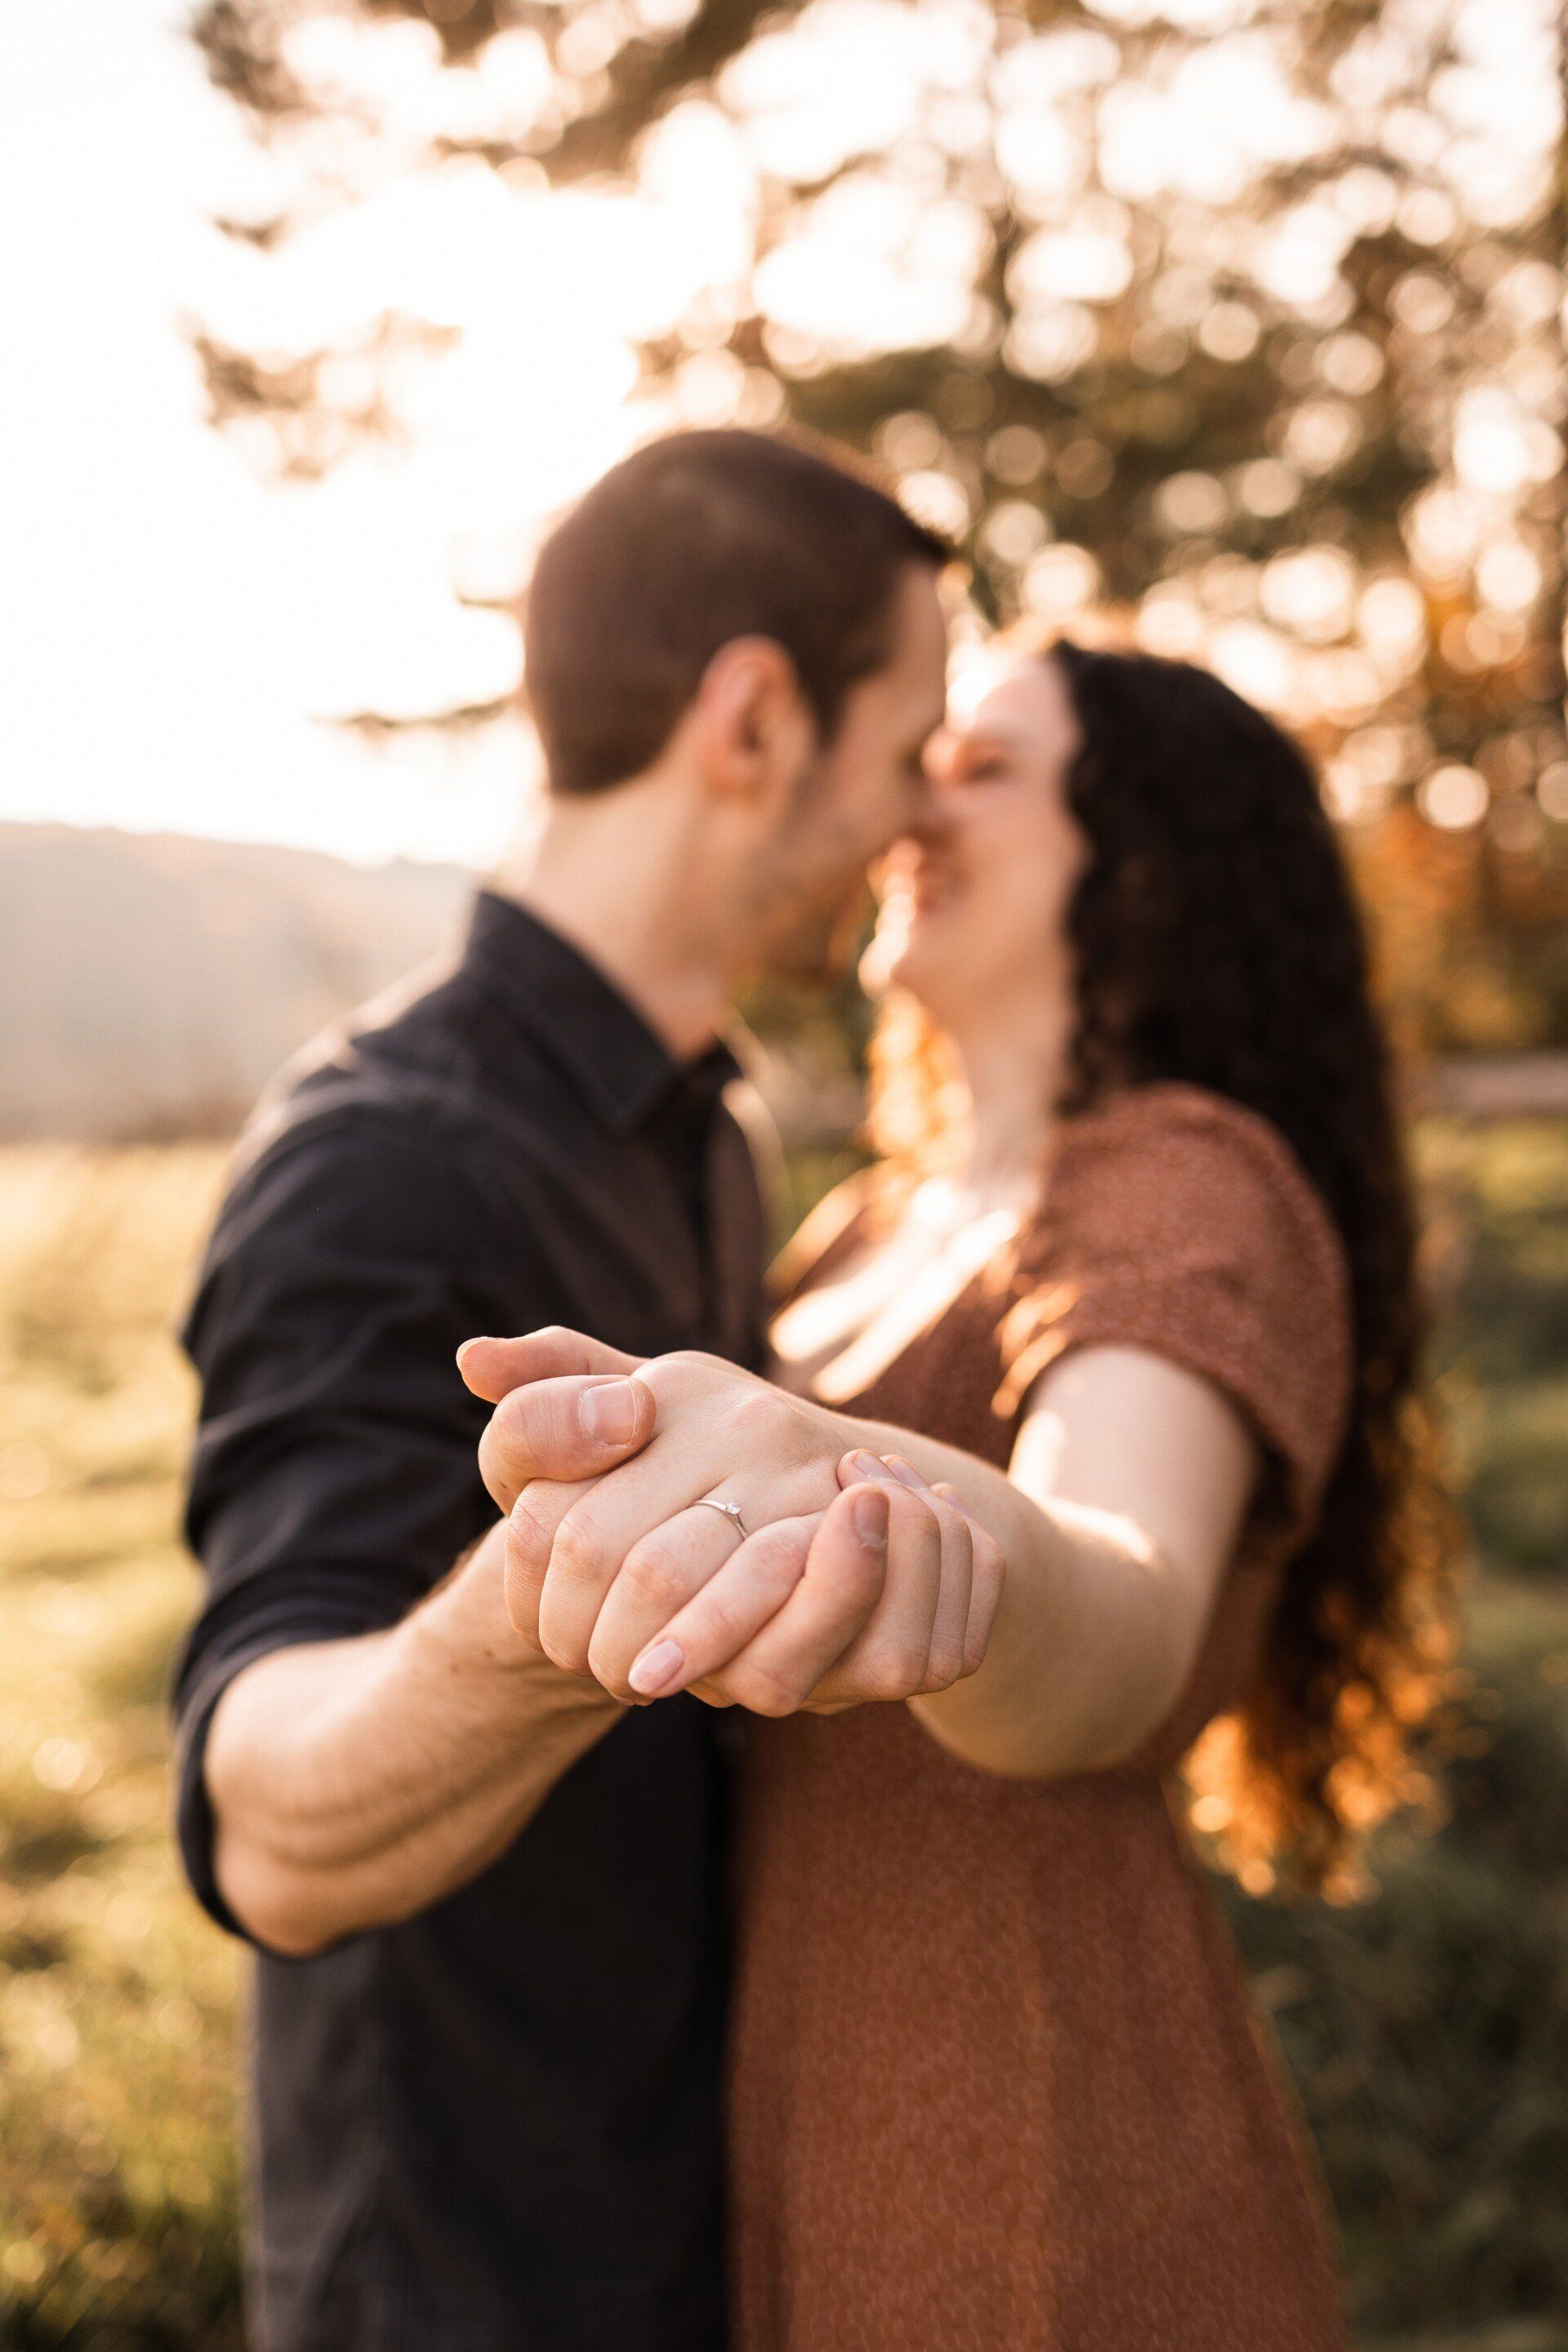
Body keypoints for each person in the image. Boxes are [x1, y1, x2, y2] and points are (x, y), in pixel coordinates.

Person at [467, 636, 1454, 2350]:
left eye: (985, 766)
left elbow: (1125, 1594)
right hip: (812, 2057)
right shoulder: (862, 1224)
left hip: (1032, 2118)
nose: (913, 797)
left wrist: (909, 1526)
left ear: (1140, 865)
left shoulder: (1180, 1176)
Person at [171, 425, 995, 2352]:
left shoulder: (710, 1135)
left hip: (693, 2208)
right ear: (753, 716)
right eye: (908, 743)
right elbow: (269, 1819)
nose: (914, 819)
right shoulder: (379, 1162)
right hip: (470, 2274)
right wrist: (546, 1623)